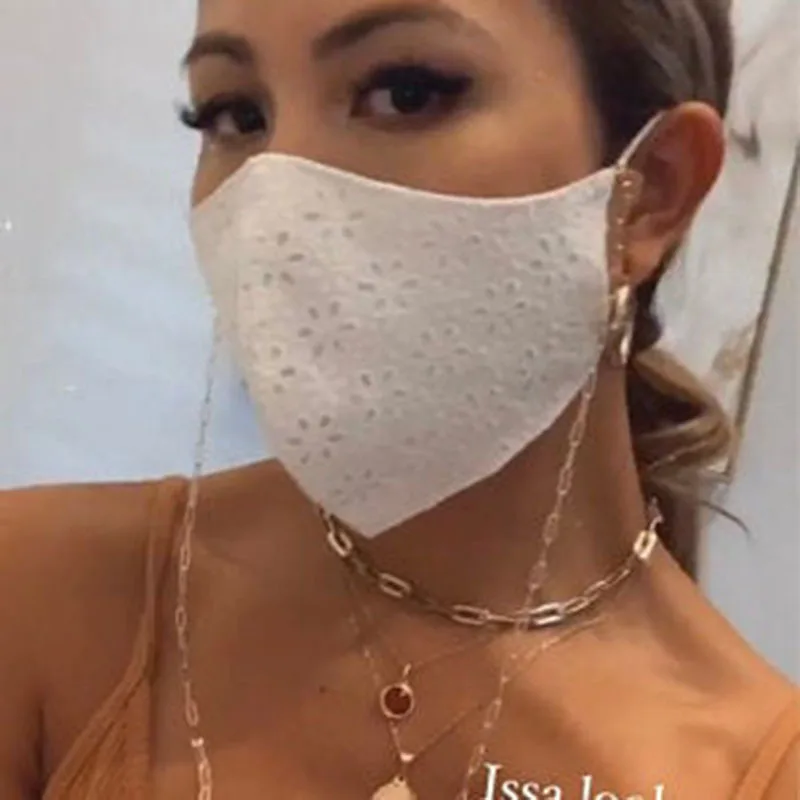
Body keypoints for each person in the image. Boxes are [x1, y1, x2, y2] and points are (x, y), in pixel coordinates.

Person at [0, 1, 797, 798]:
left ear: (651, 190)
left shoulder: (751, 768)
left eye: (406, 92)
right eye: (235, 115)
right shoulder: (45, 598)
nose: (275, 212)